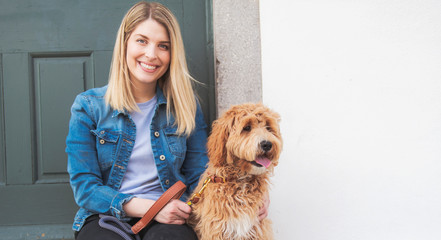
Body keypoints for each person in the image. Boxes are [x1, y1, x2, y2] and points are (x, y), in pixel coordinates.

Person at [66, 1, 269, 239]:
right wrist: (152, 208)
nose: (151, 54)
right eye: (141, 41)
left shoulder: (185, 106)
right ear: (124, 44)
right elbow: (85, 188)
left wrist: (250, 193)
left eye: (163, 46)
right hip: (107, 215)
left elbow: (201, 174)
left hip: (173, 214)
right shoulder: (89, 107)